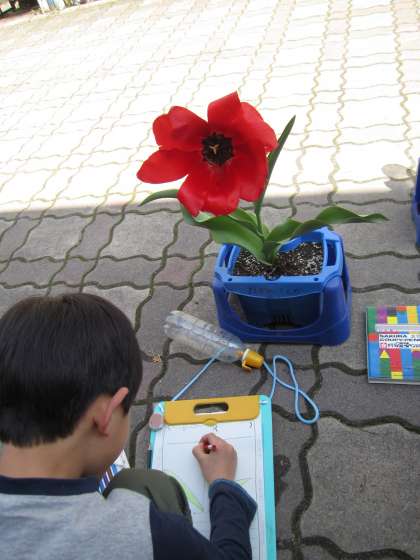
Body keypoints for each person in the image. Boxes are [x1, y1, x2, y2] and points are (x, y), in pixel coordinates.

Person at [0, 293, 256, 559]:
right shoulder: (143, 531)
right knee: (148, 485)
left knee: (137, 481)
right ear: (107, 415)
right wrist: (224, 485)